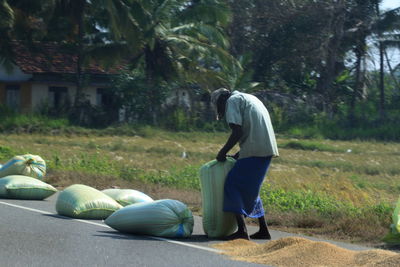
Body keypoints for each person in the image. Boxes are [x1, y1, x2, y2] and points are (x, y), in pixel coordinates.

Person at [210, 88, 279, 240]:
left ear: (222, 100)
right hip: (265, 148)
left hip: (255, 150)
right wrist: (238, 154)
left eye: (219, 106)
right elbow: (253, 130)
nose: (221, 110)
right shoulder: (248, 98)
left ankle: (242, 231)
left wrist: (222, 153)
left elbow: (237, 132)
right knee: (250, 187)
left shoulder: (232, 101)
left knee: (232, 184)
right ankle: (263, 230)